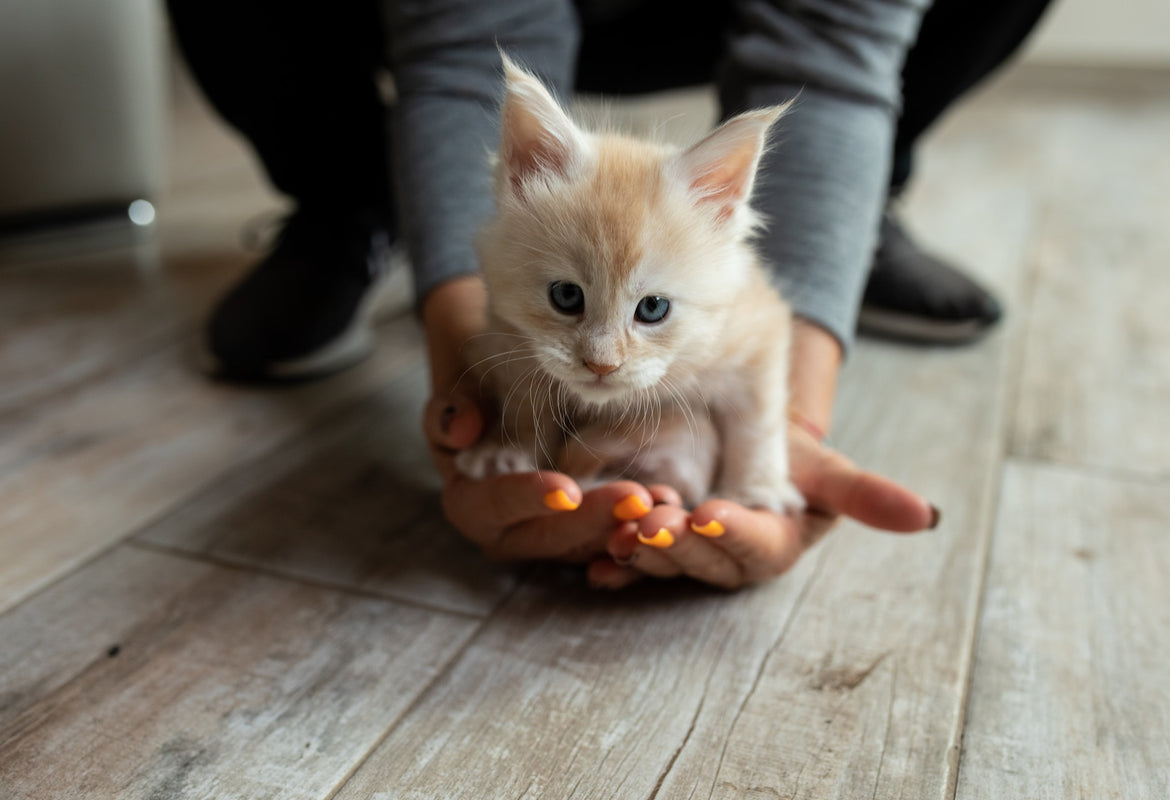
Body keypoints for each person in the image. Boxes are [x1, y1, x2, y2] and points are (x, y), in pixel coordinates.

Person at [168, 0, 1050, 589]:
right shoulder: (528, 234)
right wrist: (477, 403)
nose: (602, 352)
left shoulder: (719, 277)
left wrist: (771, 455)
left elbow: (833, 58)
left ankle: (866, 219)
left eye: (651, 311)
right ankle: (351, 204)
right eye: (566, 298)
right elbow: (466, 46)